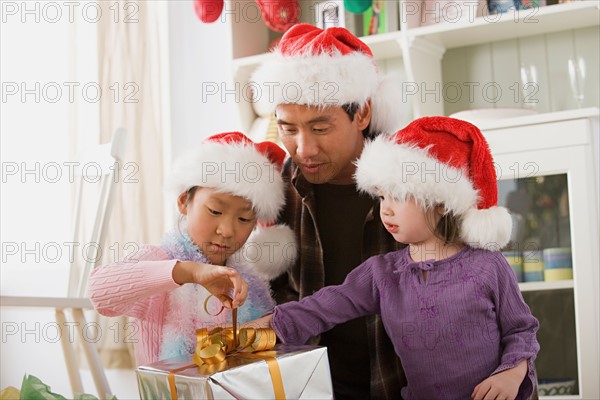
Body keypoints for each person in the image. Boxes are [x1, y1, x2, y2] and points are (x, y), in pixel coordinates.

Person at [249, 116, 541, 400]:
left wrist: (511, 374)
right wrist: (270, 324)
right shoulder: (382, 274)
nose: (384, 210)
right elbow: (325, 306)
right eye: (381, 197)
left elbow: (521, 329)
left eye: (397, 197)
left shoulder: (487, 266)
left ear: (440, 202)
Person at [250, 23, 406, 399]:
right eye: (288, 128)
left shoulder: (410, 179)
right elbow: (274, 288)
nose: (303, 149)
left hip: (403, 385)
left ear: (363, 112)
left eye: (320, 127)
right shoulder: (277, 188)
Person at [88, 132, 296, 366]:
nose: (227, 230)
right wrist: (189, 272)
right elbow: (99, 291)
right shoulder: (158, 261)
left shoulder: (251, 286)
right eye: (215, 211)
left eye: (244, 219)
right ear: (183, 202)